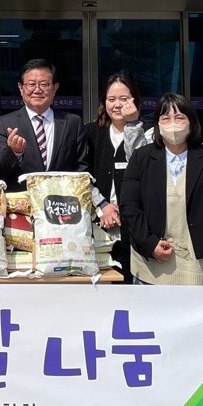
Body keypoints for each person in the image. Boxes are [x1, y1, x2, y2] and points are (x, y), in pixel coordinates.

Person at [119, 92, 203, 285]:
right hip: (151, 265)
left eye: (179, 117)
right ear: (157, 124)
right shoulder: (141, 157)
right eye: (166, 118)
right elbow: (129, 206)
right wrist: (150, 243)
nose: (173, 124)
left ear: (191, 122)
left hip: (198, 264)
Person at [84, 73, 149, 283]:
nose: (117, 105)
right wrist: (102, 205)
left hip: (136, 227)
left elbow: (140, 166)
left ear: (135, 100)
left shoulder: (149, 133)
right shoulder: (91, 132)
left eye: (124, 99)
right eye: (111, 99)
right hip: (98, 225)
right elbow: (82, 175)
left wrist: (132, 124)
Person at [0, 58, 90, 194]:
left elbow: (81, 167)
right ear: (21, 88)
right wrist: (14, 152)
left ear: (55, 88)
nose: (37, 90)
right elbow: (0, 171)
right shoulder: (4, 123)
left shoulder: (73, 122)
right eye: (31, 84)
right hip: (22, 202)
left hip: (62, 200)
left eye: (44, 84)